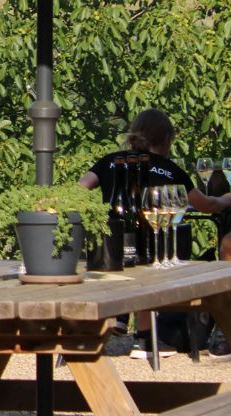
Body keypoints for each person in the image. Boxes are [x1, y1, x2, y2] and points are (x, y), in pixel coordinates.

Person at [79, 108, 231, 360]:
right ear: (167, 139)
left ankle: (118, 321)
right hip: (155, 251)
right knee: (159, 244)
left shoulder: (110, 161)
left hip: (110, 249)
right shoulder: (170, 170)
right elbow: (207, 206)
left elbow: (81, 188)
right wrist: (226, 199)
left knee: (133, 246)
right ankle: (144, 339)